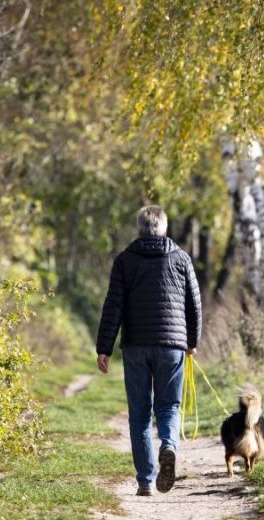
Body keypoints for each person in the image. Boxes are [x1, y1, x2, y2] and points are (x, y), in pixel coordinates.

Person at [95, 205, 202, 496]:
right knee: (168, 406)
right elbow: (195, 304)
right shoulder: (181, 259)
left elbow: (113, 306)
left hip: (136, 346)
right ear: (164, 229)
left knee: (140, 413)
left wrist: (104, 347)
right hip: (172, 346)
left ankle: (145, 479)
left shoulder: (125, 261)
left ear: (139, 229)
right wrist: (193, 341)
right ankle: (168, 445)